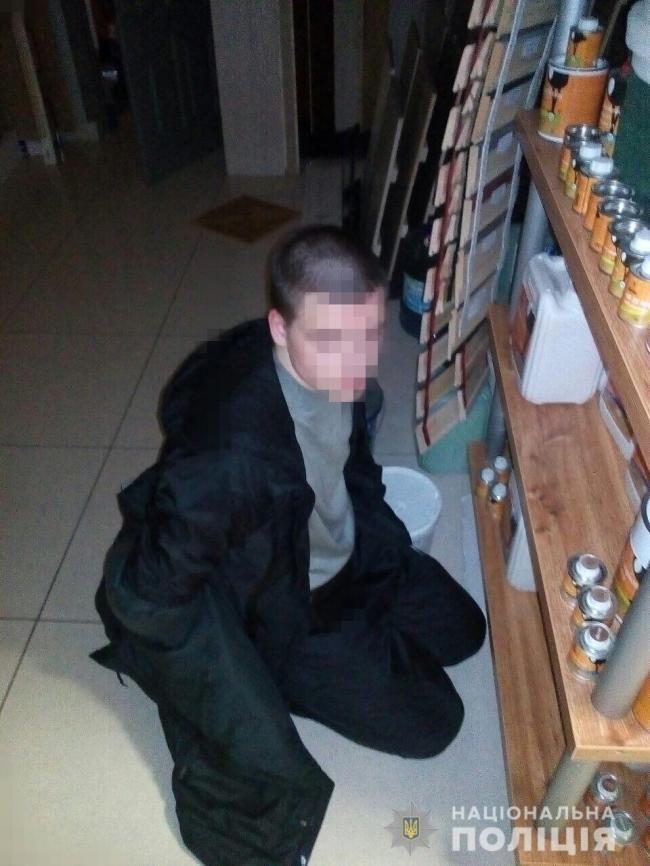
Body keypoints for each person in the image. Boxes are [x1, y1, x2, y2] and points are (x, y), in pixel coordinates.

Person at [90, 225, 486, 866]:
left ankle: (356, 648)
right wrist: (244, 686)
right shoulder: (228, 460)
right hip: (295, 607)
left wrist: (378, 540)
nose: (356, 363)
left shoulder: (332, 374)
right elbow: (153, 595)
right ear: (279, 328)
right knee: (437, 723)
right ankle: (290, 677)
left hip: (349, 552)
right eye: (331, 341)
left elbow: (352, 467)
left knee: (467, 630)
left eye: (369, 335)